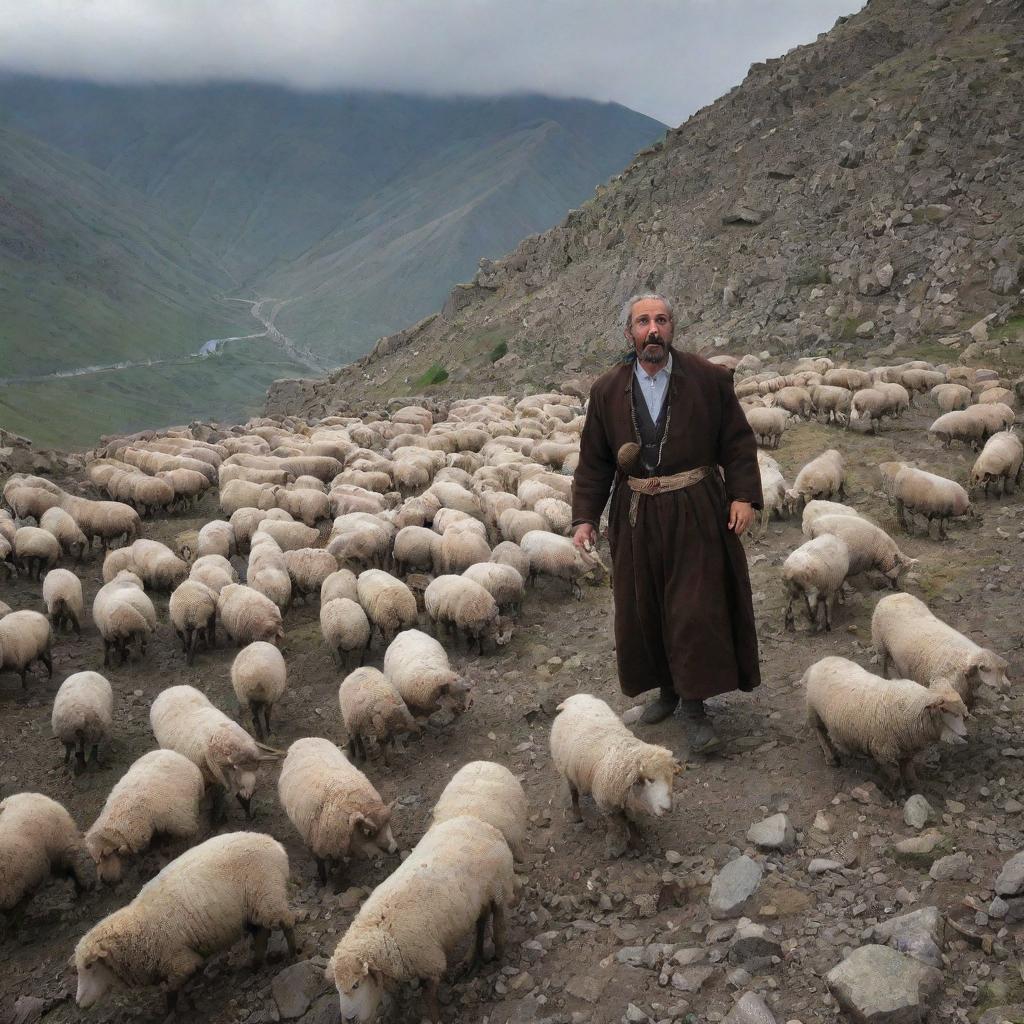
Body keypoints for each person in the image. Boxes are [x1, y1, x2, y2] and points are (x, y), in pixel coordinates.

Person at [571, 294, 762, 753]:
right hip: (636, 513)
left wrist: (743, 496)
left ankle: (696, 706)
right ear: (629, 333)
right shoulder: (606, 390)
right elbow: (594, 461)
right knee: (646, 605)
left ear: (672, 328)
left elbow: (737, 442)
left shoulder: (708, 379)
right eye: (643, 322)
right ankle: (667, 692)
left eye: (661, 320)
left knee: (694, 607)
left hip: (696, 506)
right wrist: (584, 517)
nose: (652, 329)